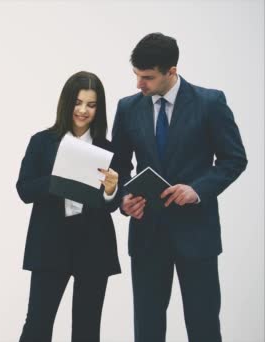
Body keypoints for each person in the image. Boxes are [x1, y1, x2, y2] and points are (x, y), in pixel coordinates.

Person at [111, 33, 248, 342]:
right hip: (147, 234)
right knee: (147, 328)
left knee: (203, 327)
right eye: (136, 75)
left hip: (196, 234)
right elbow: (117, 167)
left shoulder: (210, 103)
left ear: (171, 71)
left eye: (147, 77)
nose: (138, 85)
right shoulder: (128, 108)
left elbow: (234, 159)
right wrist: (123, 199)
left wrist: (197, 189)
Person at [16, 71, 122, 342]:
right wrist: (55, 180)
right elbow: (24, 189)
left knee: (87, 330)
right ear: (67, 103)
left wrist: (111, 191)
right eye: (78, 102)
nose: (83, 110)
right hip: (50, 241)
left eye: (91, 104)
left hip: (93, 244)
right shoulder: (42, 141)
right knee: (37, 325)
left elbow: (112, 204)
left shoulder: (107, 149)